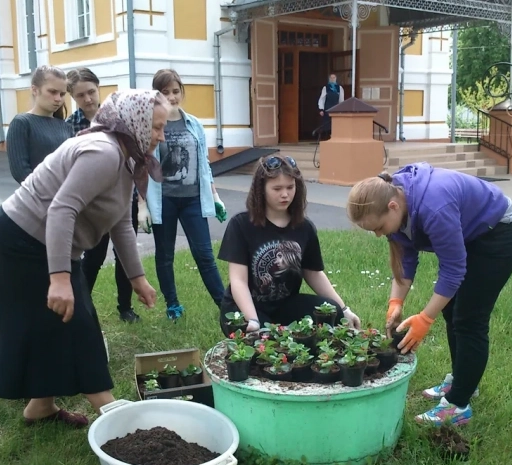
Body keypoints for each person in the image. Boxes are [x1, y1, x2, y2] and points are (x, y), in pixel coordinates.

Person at [0, 89, 167, 428]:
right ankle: (112, 414)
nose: (160, 136)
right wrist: (60, 278)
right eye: (155, 127)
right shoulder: (104, 152)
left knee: (55, 323)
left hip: (41, 239)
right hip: (20, 240)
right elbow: (61, 209)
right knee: (75, 322)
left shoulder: (125, 154)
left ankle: (41, 407)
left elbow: (121, 221)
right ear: (135, 122)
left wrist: (137, 278)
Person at [346, 162, 512, 426]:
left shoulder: (433, 208)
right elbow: (406, 261)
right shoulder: (397, 202)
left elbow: (453, 270)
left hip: (497, 233)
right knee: (452, 310)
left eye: (378, 227)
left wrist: (425, 319)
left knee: (470, 318)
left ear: (393, 207)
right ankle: (463, 381)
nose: (377, 235)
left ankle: (458, 405)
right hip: (471, 232)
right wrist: (396, 303)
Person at [217, 155, 361, 335]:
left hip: (285, 306)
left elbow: (313, 273)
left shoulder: (304, 228)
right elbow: (238, 281)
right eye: (277, 188)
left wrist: (344, 309)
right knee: (266, 345)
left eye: (290, 187)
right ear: (261, 189)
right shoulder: (241, 224)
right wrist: (253, 321)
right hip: (243, 308)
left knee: (333, 312)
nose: (285, 194)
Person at [139, 68, 227, 321]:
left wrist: (215, 196)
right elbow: (141, 166)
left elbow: (204, 165)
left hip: (193, 200)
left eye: (175, 91)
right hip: (163, 200)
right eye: (165, 92)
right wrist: (141, 205)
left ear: (182, 92)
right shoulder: (150, 124)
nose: (171, 97)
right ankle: (173, 305)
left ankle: (225, 306)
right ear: (156, 95)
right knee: (164, 255)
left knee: (205, 255)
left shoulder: (194, 124)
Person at [66, 68, 142, 323]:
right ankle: (81, 305)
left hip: (123, 198)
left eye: (91, 92)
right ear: (72, 97)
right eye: (80, 95)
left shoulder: (117, 119)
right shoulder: (70, 127)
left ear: (98, 88)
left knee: (125, 254)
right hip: (92, 204)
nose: (87, 99)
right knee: (94, 256)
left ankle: (125, 308)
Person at [7, 65, 73, 184]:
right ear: (35, 90)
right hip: (36, 198)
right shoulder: (22, 123)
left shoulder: (66, 127)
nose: (58, 98)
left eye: (62, 94)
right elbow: (20, 172)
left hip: (66, 197)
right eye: (52, 92)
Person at [317, 73, 345, 139]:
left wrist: (341, 109)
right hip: (327, 108)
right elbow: (322, 99)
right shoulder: (325, 88)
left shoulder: (339, 88)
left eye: (334, 78)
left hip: (336, 108)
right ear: (329, 79)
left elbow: (341, 99)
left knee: (336, 123)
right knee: (327, 124)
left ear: (336, 79)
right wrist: (321, 109)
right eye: (331, 78)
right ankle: (327, 137)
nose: (332, 79)